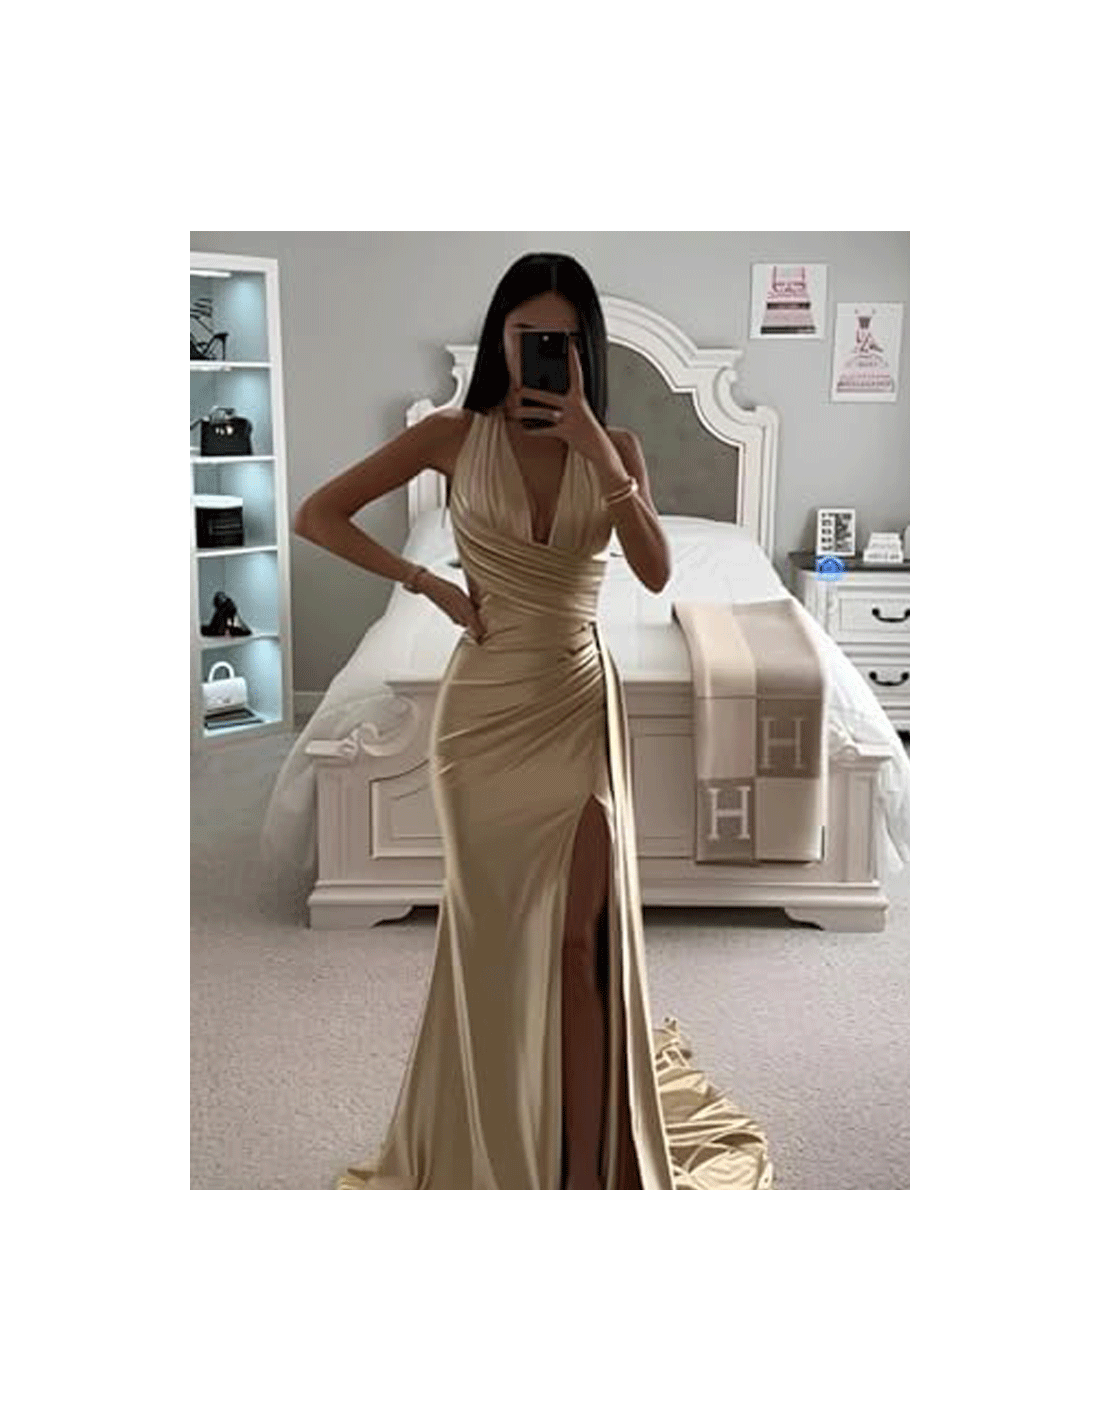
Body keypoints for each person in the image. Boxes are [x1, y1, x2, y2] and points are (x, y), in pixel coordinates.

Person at [294, 253, 674, 1188]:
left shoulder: (619, 447)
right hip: (483, 720)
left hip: (576, 702)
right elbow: (318, 515)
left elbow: (657, 570)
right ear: (501, 338)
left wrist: (594, 447)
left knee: (583, 942)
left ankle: (584, 1170)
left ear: (586, 348)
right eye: (527, 334)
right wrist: (426, 583)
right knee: (494, 944)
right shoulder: (451, 438)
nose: (543, 351)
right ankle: (498, 1143)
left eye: (563, 339)